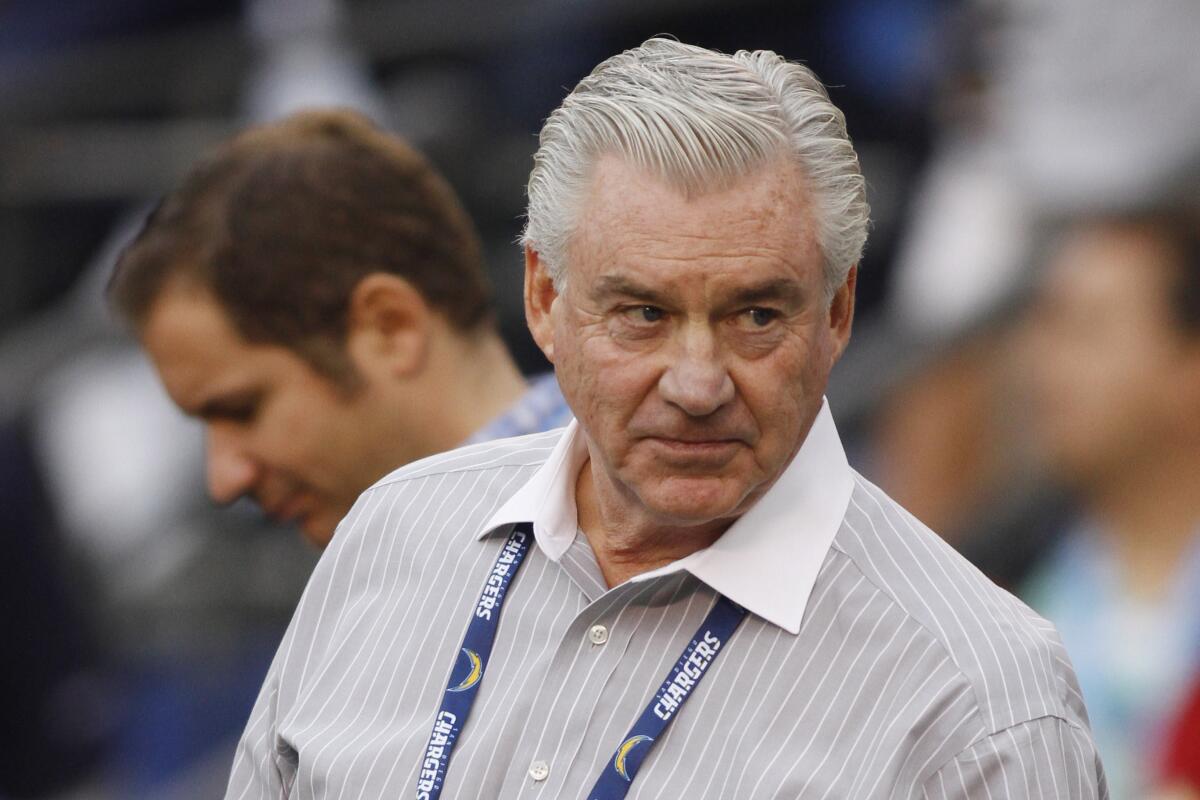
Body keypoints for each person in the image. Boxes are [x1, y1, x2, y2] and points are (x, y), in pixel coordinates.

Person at [224, 39, 1105, 797]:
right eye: (642, 313)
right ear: (543, 299)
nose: (696, 383)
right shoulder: (391, 534)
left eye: (756, 316)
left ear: (838, 315)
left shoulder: (981, 700)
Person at [107, 109, 571, 548]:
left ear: (390, 327)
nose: (224, 481)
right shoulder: (387, 573)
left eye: (243, 409)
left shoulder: (619, 513)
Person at [1022, 212, 1200, 799]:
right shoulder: (1011, 596)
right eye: (1049, 324)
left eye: (1090, 330)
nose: (1047, 365)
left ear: (1190, 369)